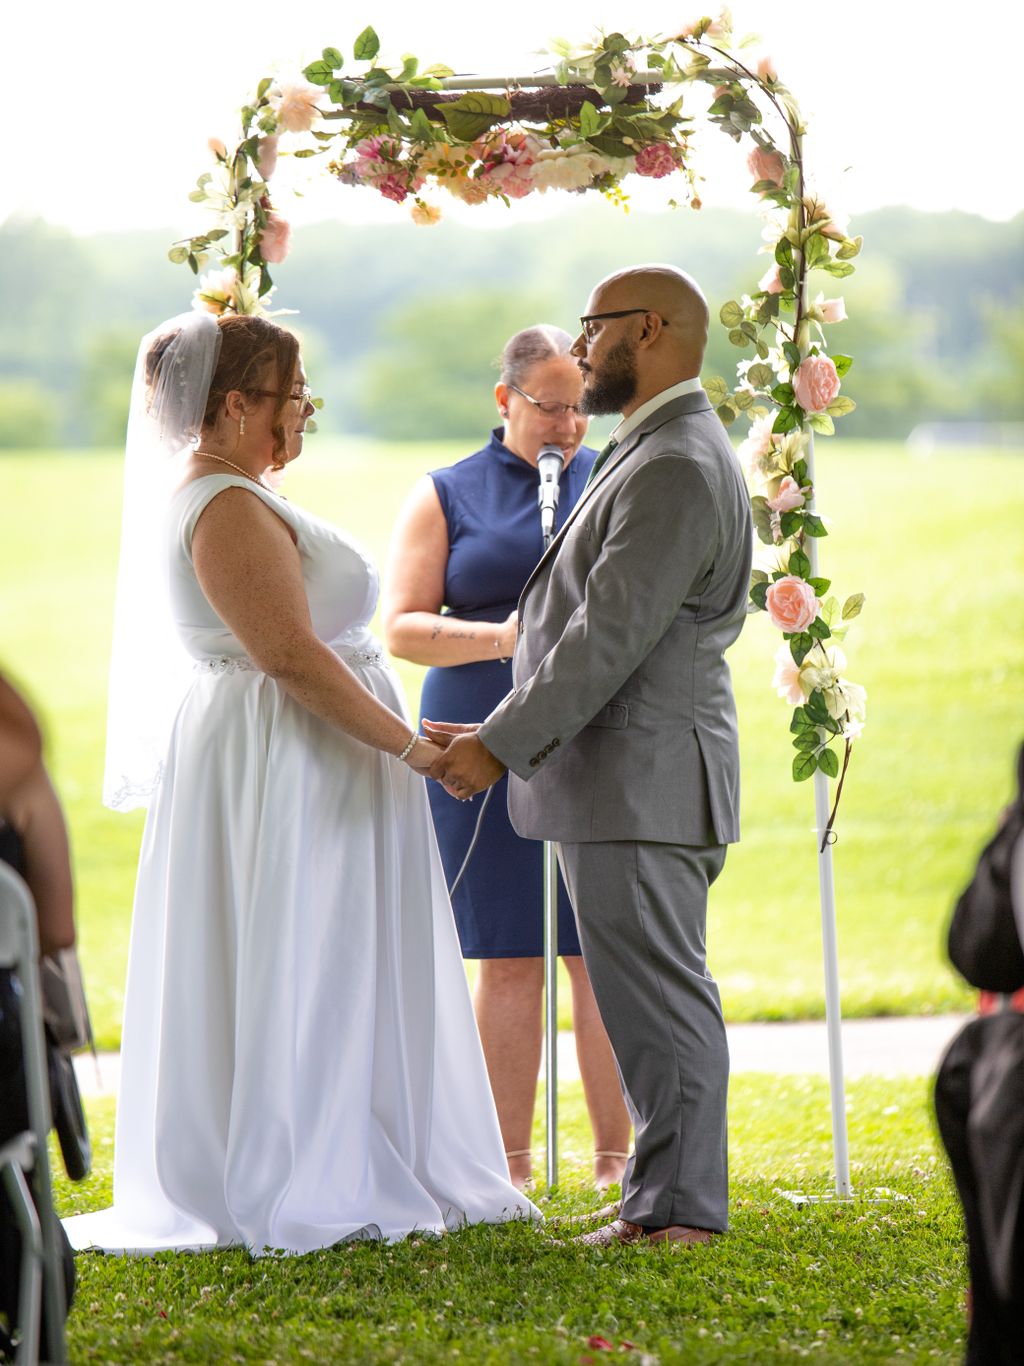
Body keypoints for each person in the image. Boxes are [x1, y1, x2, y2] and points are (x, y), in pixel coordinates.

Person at [62, 311, 535, 1257]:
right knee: (301, 944)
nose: (305, 413)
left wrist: (401, 738)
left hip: (315, 751)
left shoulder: (237, 488)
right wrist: (411, 749)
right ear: (236, 405)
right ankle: (304, 1163)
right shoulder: (224, 505)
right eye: (294, 396)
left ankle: (359, 1142)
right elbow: (288, 657)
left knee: (333, 944)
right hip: (285, 758)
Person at [428, 265, 753, 1248]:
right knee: (646, 997)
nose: (577, 350)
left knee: (659, 1000)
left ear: (647, 329)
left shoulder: (675, 463)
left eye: (592, 329)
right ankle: (660, 1199)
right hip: (620, 779)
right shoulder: (649, 444)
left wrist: (498, 744)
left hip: (641, 778)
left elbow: (605, 637)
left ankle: (682, 1213)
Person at [383, 325, 631, 1191]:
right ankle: (507, 1166)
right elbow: (403, 628)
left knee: (598, 947)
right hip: (476, 724)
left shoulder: (616, 476)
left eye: (579, 408)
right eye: (549, 406)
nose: (568, 425)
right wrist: (501, 639)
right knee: (512, 949)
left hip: (593, 727)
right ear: (505, 400)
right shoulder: (447, 492)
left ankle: (617, 1161)